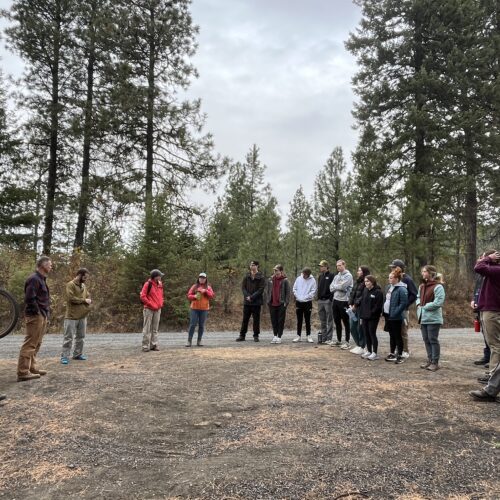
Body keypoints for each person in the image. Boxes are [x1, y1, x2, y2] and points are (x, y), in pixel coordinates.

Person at [17, 256, 52, 382]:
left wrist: (45, 314)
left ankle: (32, 368)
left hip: (42, 314)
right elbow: (29, 298)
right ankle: (22, 372)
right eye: (49, 264)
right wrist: (37, 312)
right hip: (35, 315)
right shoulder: (34, 279)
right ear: (42, 265)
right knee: (30, 343)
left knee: (37, 343)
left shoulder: (42, 279)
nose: (51, 266)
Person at [473, 249, 500, 382]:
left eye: (483, 257)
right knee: (493, 344)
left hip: (493, 311)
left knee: (495, 345)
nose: (481, 260)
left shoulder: (497, 270)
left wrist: (488, 258)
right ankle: (493, 375)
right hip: (488, 309)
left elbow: (478, 267)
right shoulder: (491, 272)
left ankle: (493, 377)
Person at [416, 265, 445, 371]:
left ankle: (435, 362)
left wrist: (425, 307)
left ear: (431, 273)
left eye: (424, 271)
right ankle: (429, 360)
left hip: (434, 319)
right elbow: (418, 297)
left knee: (433, 339)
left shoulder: (438, 287)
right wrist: (418, 304)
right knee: (426, 339)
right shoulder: (422, 286)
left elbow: (438, 302)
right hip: (423, 318)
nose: (423, 273)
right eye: (422, 271)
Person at [60, 268, 92, 364]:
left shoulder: (84, 285)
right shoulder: (70, 285)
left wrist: (88, 300)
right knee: (68, 337)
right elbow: (70, 298)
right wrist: (84, 300)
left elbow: (87, 296)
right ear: (79, 275)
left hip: (82, 316)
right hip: (71, 316)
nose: (85, 279)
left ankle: (77, 354)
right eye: (85, 277)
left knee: (81, 337)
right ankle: (64, 357)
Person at [389, 259, 417, 358]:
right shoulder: (393, 279)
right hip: (393, 310)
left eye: (393, 267)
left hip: (403, 310)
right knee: (395, 330)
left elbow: (414, 294)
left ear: (399, 268)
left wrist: (405, 305)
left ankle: (405, 350)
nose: (391, 269)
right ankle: (398, 349)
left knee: (403, 330)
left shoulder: (407, 279)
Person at [383, 268, 408, 364]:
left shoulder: (402, 289)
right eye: (389, 277)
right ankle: (392, 353)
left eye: (391, 278)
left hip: (396, 316)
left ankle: (400, 355)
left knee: (398, 336)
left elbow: (403, 303)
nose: (389, 279)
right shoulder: (389, 287)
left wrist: (395, 313)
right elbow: (387, 300)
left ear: (397, 279)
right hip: (388, 315)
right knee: (391, 335)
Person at [236, 261, 266, 342]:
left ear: (257, 266)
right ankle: (242, 335)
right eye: (250, 265)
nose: (251, 266)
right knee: (245, 319)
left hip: (256, 302)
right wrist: (247, 296)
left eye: (253, 265)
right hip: (247, 302)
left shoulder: (261, 277)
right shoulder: (246, 276)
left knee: (256, 320)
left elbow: (261, 289)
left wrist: (252, 297)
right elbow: (243, 288)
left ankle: (256, 336)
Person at [186, 273, 215, 347]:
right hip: (194, 308)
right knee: (192, 325)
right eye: (200, 278)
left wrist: (205, 291)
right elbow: (188, 295)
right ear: (198, 278)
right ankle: (189, 341)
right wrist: (194, 296)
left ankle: (199, 340)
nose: (202, 279)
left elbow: (212, 295)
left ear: (206, 279)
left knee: (201, 325)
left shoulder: (208, 287)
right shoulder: (194, 286)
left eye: (203, 278)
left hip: (204, 309)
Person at [358, 275, 383, 361]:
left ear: (372, 282)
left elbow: (378, 306)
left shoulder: (378, 292)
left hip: (373, 317)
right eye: (365, 281)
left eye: (368, 281)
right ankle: (368, 350)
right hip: (364, 316)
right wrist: (361, 315)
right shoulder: (365, 290)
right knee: (366, 333)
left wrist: (371, 313)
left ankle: (375, 353)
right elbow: (362, 303)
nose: (366, 283)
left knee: (372, 333)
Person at [330, 259, 353, 348]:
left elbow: (343, 287)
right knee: (337, 321)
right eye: (337, 266)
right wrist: (337, 286)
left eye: (340, 265)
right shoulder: (336, 276)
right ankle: (339, 340)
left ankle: (347, 341)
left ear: (344, 265)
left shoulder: (348, 276)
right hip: (335, 300)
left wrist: (336, 286)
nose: (338, 267)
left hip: (344, 301)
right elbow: (331, 288)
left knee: (346, 321)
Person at [140, 269, 164, 352]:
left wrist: (160, 304)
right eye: (159, 276)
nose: (161, 277)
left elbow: (161, 296)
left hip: (158, 309)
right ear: (155, 277)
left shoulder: (160, 284)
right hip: (149, 309)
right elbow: (142, 296)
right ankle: (145, 346)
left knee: (155, 329)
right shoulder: (148, 284)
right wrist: (150, 304)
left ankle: (154, 345)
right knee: (147, 328)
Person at [348, 266, 370, 355]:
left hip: (360, 308)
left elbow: (362, 296)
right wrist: (350, 303)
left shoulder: (366, 282)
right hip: (352, 308)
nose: (358, 272)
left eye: (359, 271)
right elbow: (352, 293)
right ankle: (358, 344)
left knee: (360, 327)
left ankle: (362, 345)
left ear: (364, 272)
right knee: (352, 326)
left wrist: (356, 305)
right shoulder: (357, 281)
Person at [471, 267, 490, 368]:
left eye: (482, 258)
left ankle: (493, 360)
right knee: (485, 333)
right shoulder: (480, 275)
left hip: (489, 308)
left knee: (491, 335)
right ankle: (487, 357)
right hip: (480, 307)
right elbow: (477, 289)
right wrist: (474, 299)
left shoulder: (491, 273)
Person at [267, 265, 291, 344]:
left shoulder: (285, 280)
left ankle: (279, 336)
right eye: (274, 270)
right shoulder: (271, 279)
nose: (275, 272)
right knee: (274, 320)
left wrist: (286, 302)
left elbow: (288, 293)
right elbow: (268, 291)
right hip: (272, 303)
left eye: (277, 270)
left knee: (280, 320)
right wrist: (268, 301)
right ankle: (275, 335)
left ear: (281, 271)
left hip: (281, 303)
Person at [292, 267, 317, 343]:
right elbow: (294, 289)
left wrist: (305, 297)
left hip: (307, 302)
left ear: (308, 275)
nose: (303, 275)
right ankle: (298, 336)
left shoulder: (312, 280)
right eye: (303, 274)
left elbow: (313, 291)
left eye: (305, 274)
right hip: (299, 302)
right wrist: (298, 296)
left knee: (307, 320)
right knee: (299, 320)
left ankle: (308, 336)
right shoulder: (298, 279)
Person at [316, 260, 334, 344]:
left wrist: (330, 299)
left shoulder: (331, 275)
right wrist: (318, 298)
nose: (320, 267)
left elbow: (332, 288)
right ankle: (324, 338)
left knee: (329, 320)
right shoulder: (320, 276)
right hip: (320, 301)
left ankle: (329, 338)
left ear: (326, 267)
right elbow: (319, 288)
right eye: (320, 266)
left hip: (328, 301)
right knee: (322, 320)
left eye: (322, 266)